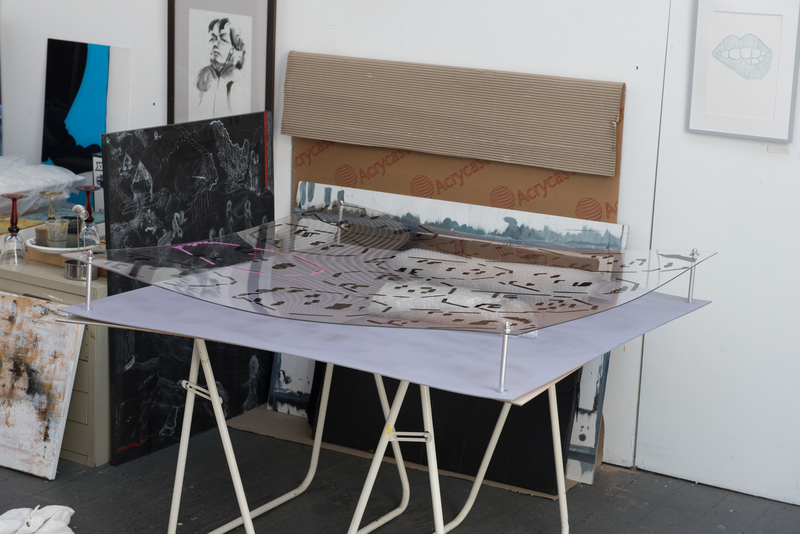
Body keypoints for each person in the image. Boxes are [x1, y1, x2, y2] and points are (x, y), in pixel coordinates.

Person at [194, 18, 246, 118]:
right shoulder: (202, 78)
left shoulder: (237, 83)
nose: (215, 44)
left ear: (233, 49)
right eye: (212, 38)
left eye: (223, 40)